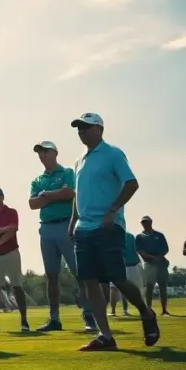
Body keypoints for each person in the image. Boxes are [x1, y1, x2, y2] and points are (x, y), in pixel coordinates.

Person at [69, 112, 159, 351]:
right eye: (79, 128)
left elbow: (131, 183)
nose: (81, 131)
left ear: (100, 129)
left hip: (108, 226)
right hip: (84, 229)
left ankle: (146, 312)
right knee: (89, 281)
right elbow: (78, 195)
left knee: (117, 279)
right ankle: (105, 336)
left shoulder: (113, 154)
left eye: (86, 127)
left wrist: (113, 208)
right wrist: (73, 221)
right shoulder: (79, 161)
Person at [29, 140, 94, 332]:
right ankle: (54, 319)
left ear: (55, 152)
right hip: (46, 228)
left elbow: (70, 193)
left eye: (46, 151)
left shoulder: (67, 172)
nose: (42, 155)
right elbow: (32, 204)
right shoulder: (37, 180)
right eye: (39, 152)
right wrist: (56, 194)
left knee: (80, 273)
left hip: (67, 225)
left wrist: (45, 195)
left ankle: (89, 314)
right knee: (51, 276)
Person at [0, 188, 30, 332]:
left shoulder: (12, 212)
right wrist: (3, 229)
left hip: (11, 252)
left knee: (17, 285)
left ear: (2, 197)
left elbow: (13, 230)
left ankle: (24, 321)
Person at [136, 216, 171, 316]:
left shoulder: (159, 235)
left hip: (161, 263)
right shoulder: (140, 237)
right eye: (143, 222)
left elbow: (165, 249)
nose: (145, 224)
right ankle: (149, 309)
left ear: (151, 222)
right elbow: (140, 251)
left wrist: (159, 257)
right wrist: (153, 258)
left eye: (146, 222)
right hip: (149, 263)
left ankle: (164, 309)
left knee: (163, 286)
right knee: (149, 286)